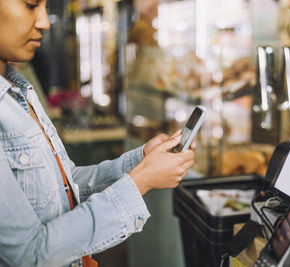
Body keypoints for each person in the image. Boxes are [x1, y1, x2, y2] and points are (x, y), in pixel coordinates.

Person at [0, 1, 195, 266]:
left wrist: (140, 162)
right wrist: (142, 181)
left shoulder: (19, 91)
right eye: (31, 4)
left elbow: (68, 185)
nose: (44, 21)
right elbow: (28, 256)